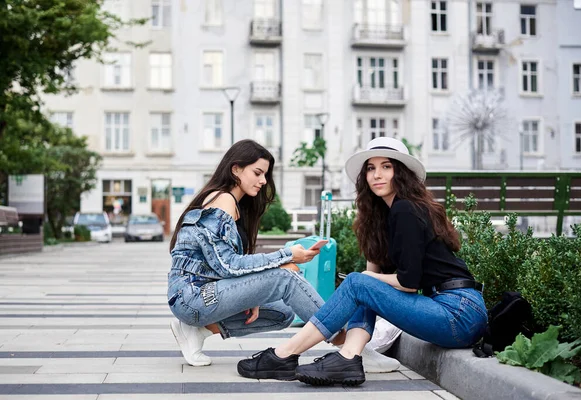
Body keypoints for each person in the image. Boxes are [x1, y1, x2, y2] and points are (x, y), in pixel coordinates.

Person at [237, 137, 488, 386]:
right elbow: (371, 282)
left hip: (458, 313)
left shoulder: (406, 209)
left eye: (386, 167)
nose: (377, 174)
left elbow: (409, 282)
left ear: (401, 173)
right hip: (446, 309)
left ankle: (286, 354)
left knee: (360, 282)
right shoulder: (386, 215)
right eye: (371, 168)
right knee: (362, 283)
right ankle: (349, 357)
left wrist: (365, 280)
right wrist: (369, 263)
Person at [168, 139, 330, 373]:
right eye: (257, 172)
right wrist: (287, 256)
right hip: (192, 297)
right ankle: (346, 342)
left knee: (282, 314)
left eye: (265, 174)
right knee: (285, 278)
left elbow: (224, 265)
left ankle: (197, 331)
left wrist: (251, 293)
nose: (263, 181)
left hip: (208, 293)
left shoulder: (235, 205)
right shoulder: (220, 200)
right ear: (236, 169)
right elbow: (228, 266)